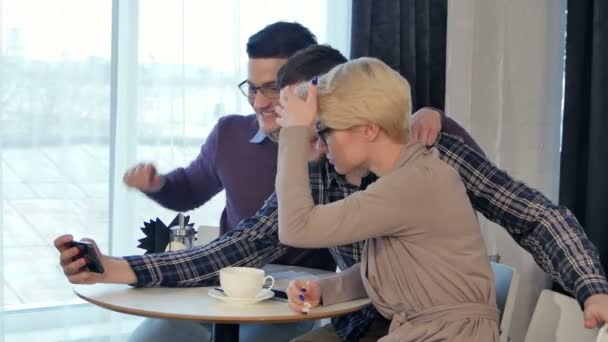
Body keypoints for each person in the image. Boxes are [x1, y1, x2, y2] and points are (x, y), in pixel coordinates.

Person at [55, 45, 608, 341]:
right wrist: (120, 269)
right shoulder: (327, 167)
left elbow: (533, 214)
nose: (306, 148)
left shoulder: (427, 152)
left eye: (315, 130)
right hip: (367, 319)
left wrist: (589, 286)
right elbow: (242, 246)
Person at [276, 57, 499, 341]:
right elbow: (394, 272)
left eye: (325, 130)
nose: (321, 144)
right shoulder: (412, 176)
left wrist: (294, 132)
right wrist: (326, 290)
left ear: (369, 129)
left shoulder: (410, 185)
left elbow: (296, 226)